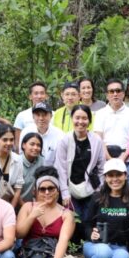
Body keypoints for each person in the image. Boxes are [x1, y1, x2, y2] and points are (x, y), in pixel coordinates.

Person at [54, 104, 105, 242]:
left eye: (84, 118)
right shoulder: (65, 140)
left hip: (90, 188)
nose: (80, 122)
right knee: (76, 220)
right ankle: (75, 246)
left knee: (88, 219)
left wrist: (99, 189)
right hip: (70, 188)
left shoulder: (96, 141)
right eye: (77, 118)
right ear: (72, 118)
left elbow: (101, 167)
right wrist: (64, 192)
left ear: (89, 120)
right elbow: (61, 168)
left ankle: (88, 245)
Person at [93, 78, 129, 160]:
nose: (115, 94)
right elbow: (98, 139)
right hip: (105, 160)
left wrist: (123, 159)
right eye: (111, 91)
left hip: (127, 159)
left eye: (118, 90)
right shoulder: (100, 114)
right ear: (107, 95)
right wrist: (109, 159)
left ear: (123, 94)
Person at [18, 102, 63, 166]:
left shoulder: (60, 135)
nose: (41, 118)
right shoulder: (26, 132)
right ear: (33, 116)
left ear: (51, 116)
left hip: (51, 172)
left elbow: (60, 161)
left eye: (44, 115)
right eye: (38, 115)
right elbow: (21, 155)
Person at [20, 132, 46, 203]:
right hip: (15, 204)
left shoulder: (41, 161)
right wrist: (25, 208)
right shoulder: (17, 162)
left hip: (33, 204)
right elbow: (14, 191)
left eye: (38, 145)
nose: (35, 148)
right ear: (23, 145)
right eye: (32, 144)